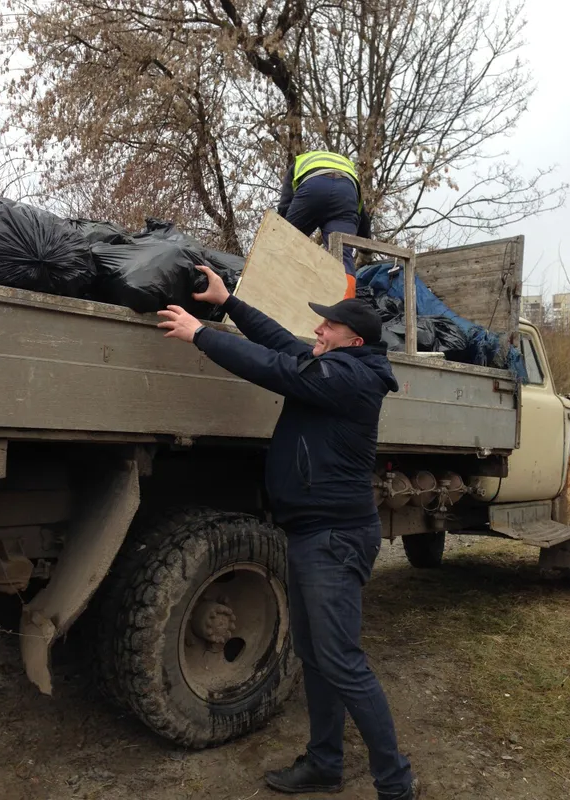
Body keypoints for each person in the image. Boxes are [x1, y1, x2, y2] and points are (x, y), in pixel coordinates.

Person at [157, 267, 418, 800]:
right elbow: (281, 343)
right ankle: (325, 762)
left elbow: (275, 367)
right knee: (317, 655)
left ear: (355, 339)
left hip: (334, 539)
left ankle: (396, 783)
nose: (317, 330)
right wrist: (230, 303)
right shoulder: (333, 366)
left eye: (327, 326)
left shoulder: (351, 379)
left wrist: (202, 334)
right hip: (311, 534)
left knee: (342, 661)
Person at [278, 150, 372, 299]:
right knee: (342, 257)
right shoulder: (348, 168)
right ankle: (344, 313)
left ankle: (276, 296)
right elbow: (362, 214)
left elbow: (284, 206)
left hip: (313, 187)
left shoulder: (300, 163)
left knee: (287, 244)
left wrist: (282, 232)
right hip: (345, 194)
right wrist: (366, 253)